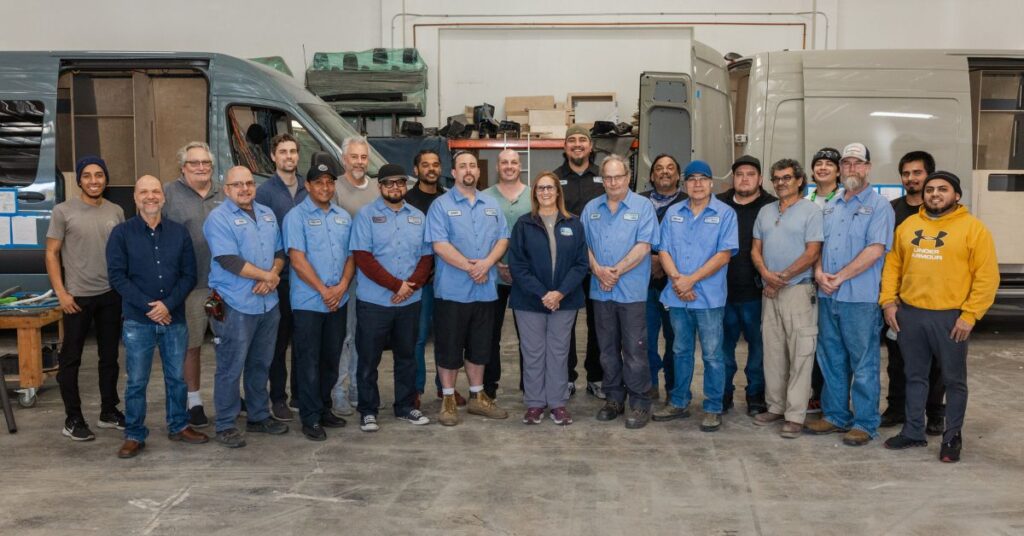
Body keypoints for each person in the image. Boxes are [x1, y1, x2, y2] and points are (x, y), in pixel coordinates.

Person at [880, 171, 999, 463]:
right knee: (915, 376)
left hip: (950, 318)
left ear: (956, 195)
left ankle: (952, 437)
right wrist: (888, 303)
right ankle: (913, 431)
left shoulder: (974, 229)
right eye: (930, 189)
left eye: (943, 189)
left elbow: (987, 277)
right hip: (911, 315)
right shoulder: (909, 225)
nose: (935, 194)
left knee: (954, 380)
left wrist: (970, 315)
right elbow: (892, 266)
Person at [106, 176, 208, 457]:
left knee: (177, 378)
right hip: (138, 321)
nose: (150, 197)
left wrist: (168, 305)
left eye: (155, 191)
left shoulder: (179, 232)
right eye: (144, 192)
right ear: (135, 198)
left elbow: (189, 275)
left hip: (174, 319)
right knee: (137, 380)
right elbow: (117, 276)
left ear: (163, 197)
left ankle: (179, 425)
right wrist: (151, 306)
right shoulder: (121, 234)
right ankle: (134, 434)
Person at [805, 143, 894, 447]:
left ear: (868, 167)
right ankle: (835, 415)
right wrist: (818, 273)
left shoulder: (880, 206)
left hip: (860, 298)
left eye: (858, 163)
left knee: (863, 361)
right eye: (847, 163)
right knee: (831, 357)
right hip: (828, 296)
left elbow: (875, 250)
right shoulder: (830, 205)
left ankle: (865, 422)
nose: (851, 168)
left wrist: (839, 277)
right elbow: (817, 244)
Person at [204, 166, 288, 447]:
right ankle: (226, 424)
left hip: (267, 303)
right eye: (237, 184)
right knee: (230, 367)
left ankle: (258, 415)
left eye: (249, 183)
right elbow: (228, 259)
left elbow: (279, 252)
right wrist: (268, 276)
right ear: (226, 189)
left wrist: (272, 274)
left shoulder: (266, 213)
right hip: (234, 304)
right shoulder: (218, 218)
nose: (244, 189)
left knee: (260, 363)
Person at [424, 151, 510, 426]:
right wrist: (472, 267)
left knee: (480, 346)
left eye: (473, 165)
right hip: (452, 290)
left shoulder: (491, 204)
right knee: (449, 347)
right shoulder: (440, 205)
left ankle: (477, 396)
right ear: (454, 172)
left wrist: (486, 264)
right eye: (463, 166)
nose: (468, 170)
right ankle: (448, 398)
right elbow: (439, 244)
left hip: (485, 290)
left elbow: (502, 239)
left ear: (478, 171)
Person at [653, 160, 738, 433]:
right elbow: (663, 250)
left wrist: (691, 280)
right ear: (684, 183)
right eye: (692, 179)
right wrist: (679, 280)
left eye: (703, 179)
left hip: (709, 299)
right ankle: (678, 401)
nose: (697, 184)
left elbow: (724, 254)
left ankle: (713, 407)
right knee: (680, 350)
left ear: (712, 183)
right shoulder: (674, 212)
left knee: (713, 355)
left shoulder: (725, 214)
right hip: (677, 296)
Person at [46, 156, 126, 440]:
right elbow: (51, 253)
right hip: (76, 298)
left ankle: (108, 411)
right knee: (71, 359)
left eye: (99, 175)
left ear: (106, 179)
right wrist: (62, 293)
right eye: (88, 175)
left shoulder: (116, 211)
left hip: (110, 295)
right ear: (79, 179)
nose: (94, 180)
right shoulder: (63, 211)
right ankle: (73, 418)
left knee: (109, 358)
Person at [351, 164, 434, 432]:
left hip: (410, 302)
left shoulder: (418, 217)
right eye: (389, 183)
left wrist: (410, 287)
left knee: (407, 357)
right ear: (380, 187)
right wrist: (397, 285)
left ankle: (405, 406)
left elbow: (426, 256)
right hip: (374, 302)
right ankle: (367, 410)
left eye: (400, 183)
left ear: (406, 186)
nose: (395, 187)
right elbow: (363, 258)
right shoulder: (366, 216)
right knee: (368, 359)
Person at [582, 154, 659, 429]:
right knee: (606, 350)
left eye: (618, 176)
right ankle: (614, 397)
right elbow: (584, 246)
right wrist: (598, 270)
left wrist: (615, 271)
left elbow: (644, 246)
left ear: (628, 178)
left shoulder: (643, 207)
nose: (613, 182)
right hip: (600, 291)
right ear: (603, 179)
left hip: (631, 292)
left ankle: (639, 402)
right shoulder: (591, 208)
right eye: (608, 177)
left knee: (635, 349)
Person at [282, 153, 355, 441]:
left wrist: (342, 286)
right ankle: (310, 416)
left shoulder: (343, 217)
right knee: (308, 360)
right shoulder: (295, 217)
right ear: (308, 186)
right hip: (309, 303)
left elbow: (352, 255)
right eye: (318, 182)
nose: (325, 187)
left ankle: (324, 407)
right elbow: (297, 260)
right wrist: (325, 291)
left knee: (331, 358)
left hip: (339, 300)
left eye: (329, 182)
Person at [750, 159, 823, 439]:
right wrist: (767, 275)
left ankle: (795, 415)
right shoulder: (766, 212)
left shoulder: (811, 212)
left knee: (800, 354)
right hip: (769, 291)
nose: (781, 182)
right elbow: (756, 249)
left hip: (798, 292)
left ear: (800, 181)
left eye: (787, 178)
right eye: (777, 178)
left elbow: (812, 252)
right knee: (773, 352)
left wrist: (781, 278)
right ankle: (776, 406)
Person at [509, 172, 589, 425]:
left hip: (564, 301)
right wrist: (543, 293)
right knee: (532, 352)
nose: (545, 192)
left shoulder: (574, 224)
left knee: (558, 352)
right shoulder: (524, 224)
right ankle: (534, 404)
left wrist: (559, 293)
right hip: (530, 301)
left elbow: (580, 264)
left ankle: (557, 403)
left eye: (550, 188)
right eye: (540, 188)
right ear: (535, 193)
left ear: (557, 192)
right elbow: (518, 265)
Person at [880, 151, 945, 432]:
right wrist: (888, 300)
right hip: (900, 300)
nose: (911, 178)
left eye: (917, 173)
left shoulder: (943, 212)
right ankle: (896, 409)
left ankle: (935, 414)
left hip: (937, 302)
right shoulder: (891, 210)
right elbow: (888, 258)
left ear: (929, 174)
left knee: (936, 364)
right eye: (906, 174)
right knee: (897, 361)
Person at [163, 141, 223, 427]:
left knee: (229, 345)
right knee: (192, 346)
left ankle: (229, 396)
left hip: (226, 285)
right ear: (183, 167)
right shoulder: (168, 194)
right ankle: (194, 400)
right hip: (190, 286)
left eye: (206, 163)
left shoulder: (225, 192)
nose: (201, 168)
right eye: (194, 163)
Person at [717, 155, 775, 415]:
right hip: (722, 292)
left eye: (750, 174)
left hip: (758, 292)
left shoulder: (772, 206)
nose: (744, 178)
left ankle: (755, 396)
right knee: (722, 349)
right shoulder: (719, 204)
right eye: (739, 173)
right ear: (733, 177)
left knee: (759, 350)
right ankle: (723, 394)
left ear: (760, 179)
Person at [254, 133, 307, 422]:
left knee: (303, 340)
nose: (289, 156)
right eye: (283, 152)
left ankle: (300, 393)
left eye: (293, 151)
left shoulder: (308, 189)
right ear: (273, 156)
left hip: (306, 279)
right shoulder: (264, 192)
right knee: (277, 343)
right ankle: (278, 397)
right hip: (279, 279)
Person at [331, 136, 381, 416]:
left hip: (373, 275)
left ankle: (359, 388)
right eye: (354, 157)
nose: (359, 162)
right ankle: (338, 389)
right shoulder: (335, 187)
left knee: (365, 335)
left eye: (363, 157)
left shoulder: (376, 188)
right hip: (346, 273)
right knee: (346, 336)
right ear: (344, 159)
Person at [555, 125, 605, 398]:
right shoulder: (554, 178)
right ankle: (567, 376)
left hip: (599, 264)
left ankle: (596, 376)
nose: (577, 144)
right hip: (566, 264)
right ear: (564, 147)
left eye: (582, 140)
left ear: (590, 146)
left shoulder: (603, 177)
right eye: (571, 140)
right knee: (566, 322)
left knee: (600, 322)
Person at [405, 149, 457, 407]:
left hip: (447, 278)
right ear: (416, 170)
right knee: (419, 336)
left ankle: (444, 387)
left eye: (435, 164)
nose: (431, 169)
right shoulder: (406, 200)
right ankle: (415, 389)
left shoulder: (449, 200)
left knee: (447, 336)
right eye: (425, 164)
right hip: (419, 282)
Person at [482, 148, 532, 398]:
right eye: (504, 162)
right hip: (493, 276)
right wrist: (496, 263)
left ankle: (530, 385)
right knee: (490, 335)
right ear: (497, 167)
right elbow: (479, 236)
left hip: (528, 277)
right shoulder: (484, 197)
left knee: (530, 336)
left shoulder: (534, 195)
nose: (509, 166)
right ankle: (489, 386)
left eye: (514, 162)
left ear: (520, 165)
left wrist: (520, 267)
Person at [639, 155, 686, 399]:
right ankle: (649, 385)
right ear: (651, 176)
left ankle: (674, 387)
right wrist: (650, 259)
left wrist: (664, 263)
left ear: (678, 175)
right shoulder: (638, 202)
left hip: (676, 285)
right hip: (642, 283)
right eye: (659, 169)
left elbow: (692, 244)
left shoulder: (689, 202)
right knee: (644, 339)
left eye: (670, 168)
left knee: (676, 341)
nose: (664, 172)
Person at [804, 147, 841, 413]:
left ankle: (837, 403)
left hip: (840, 283)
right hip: (810, 283)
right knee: (813, 342)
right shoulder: (807, 201)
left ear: (838, 171)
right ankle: (817, 394)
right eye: (818, 163)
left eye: (829, 164)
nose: (823, 168)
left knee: (836, 347)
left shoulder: (846, 199)